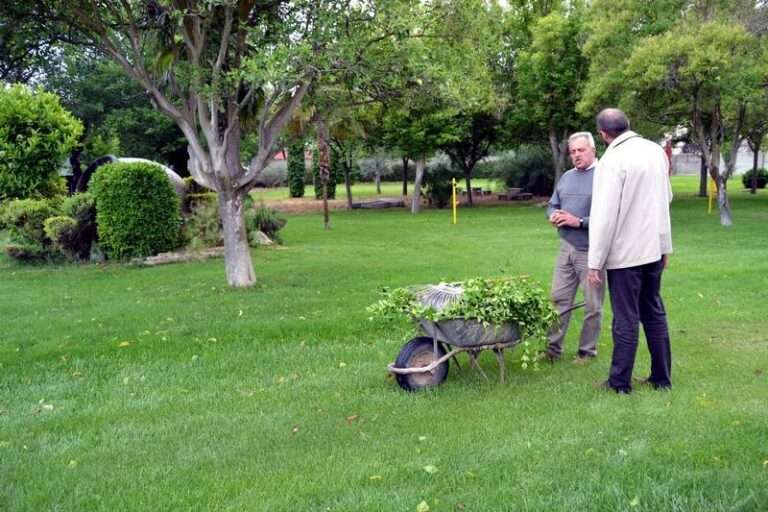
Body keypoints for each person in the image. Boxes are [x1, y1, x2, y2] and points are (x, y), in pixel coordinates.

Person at [587, 108, 673, 393]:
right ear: (628, 124)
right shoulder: (654, 151)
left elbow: (603, 215)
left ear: (602, 135)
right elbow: (665, 198)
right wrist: (665, 245)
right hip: (654, 247)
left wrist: (594, 262)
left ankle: (619, 383)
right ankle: (661, 378)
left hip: (626, 254)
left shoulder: (612, 160)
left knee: (625, 318)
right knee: (654, 312)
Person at [540, 132, 605, 364]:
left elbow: (609, 217)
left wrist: (578, 222)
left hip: (591, 251)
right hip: (566, 247)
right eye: (573, 152)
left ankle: (587, 352)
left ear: (593, 150)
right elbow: (552, 204)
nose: (576, 155)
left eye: (581, 150)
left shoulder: (604, 177)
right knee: (558, 300)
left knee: (592, 305)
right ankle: (552, 349)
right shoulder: (567, 177)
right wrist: (554, 215)